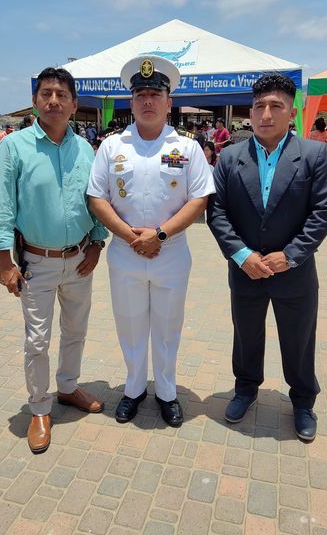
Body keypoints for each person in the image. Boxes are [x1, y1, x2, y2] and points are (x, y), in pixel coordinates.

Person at [207, 73, 327, 442]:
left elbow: (324, 210)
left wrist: (291, 255)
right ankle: (245, 388)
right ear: (250, 112)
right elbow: (217, 212)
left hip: (294, 272)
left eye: (275, 106)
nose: (266, 114)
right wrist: (242, 254)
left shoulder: (312, 155)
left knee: (299, 338)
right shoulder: (230, 157)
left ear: (291, 112)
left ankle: (303, 400)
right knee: (246, 335)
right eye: (259, 106)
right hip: (246, 270)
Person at [87, 55, 215, 427]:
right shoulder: (112, 146)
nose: (147, 101)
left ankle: (167, 392)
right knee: (129, 324)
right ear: (131, 102)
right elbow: (96, 197)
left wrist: (159, 235)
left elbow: (199, 199)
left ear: (168, 102)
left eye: (155, 94)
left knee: (167, 326)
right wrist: (131, 236)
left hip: (170, 252)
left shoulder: (187, 147)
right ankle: (133, 388)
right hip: (125, 251)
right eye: (140, 94)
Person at [0, 67, 108, 454]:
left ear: (74, 104)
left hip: (80, 259)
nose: (53, 100)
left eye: (61, 95)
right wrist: (4, 262)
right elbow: (2, 205)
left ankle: (68, 387)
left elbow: (97, 199)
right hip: (35, 262)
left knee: (76, 330)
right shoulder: (15, 146)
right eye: (46, 94)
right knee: (37, 340)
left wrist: (97, 243)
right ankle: (40, 407)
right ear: (35, 101)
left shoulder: (85, 149)